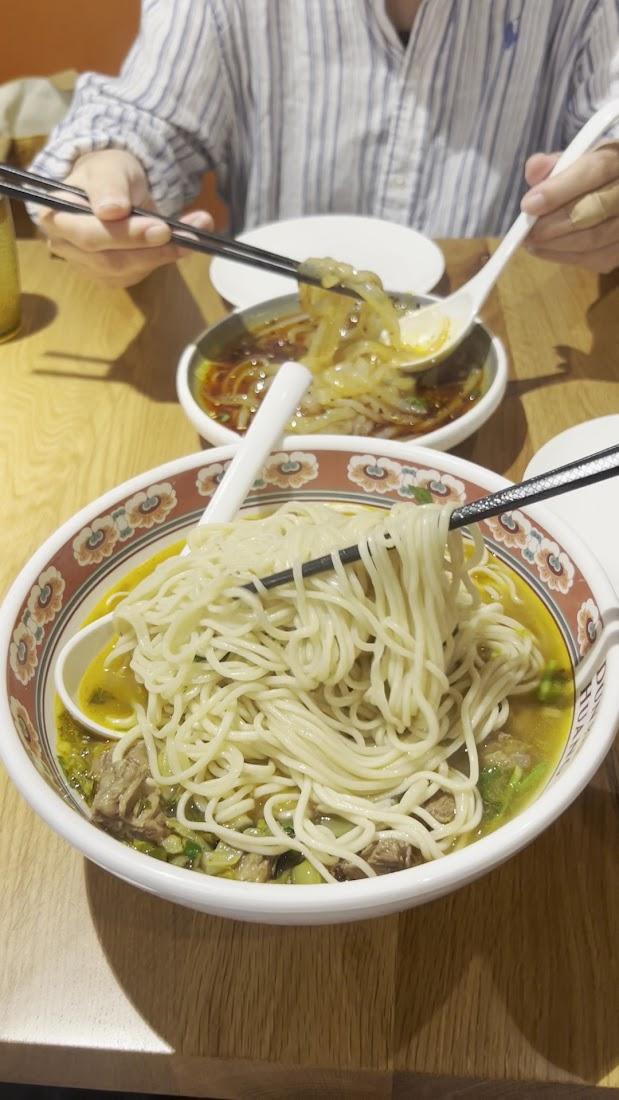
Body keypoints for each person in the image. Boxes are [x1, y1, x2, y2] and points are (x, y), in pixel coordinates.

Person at [30, 0, 619, 288]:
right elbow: (144, 117)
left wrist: (605, 195)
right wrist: (107, 169)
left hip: (498, 332)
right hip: (265, 341)